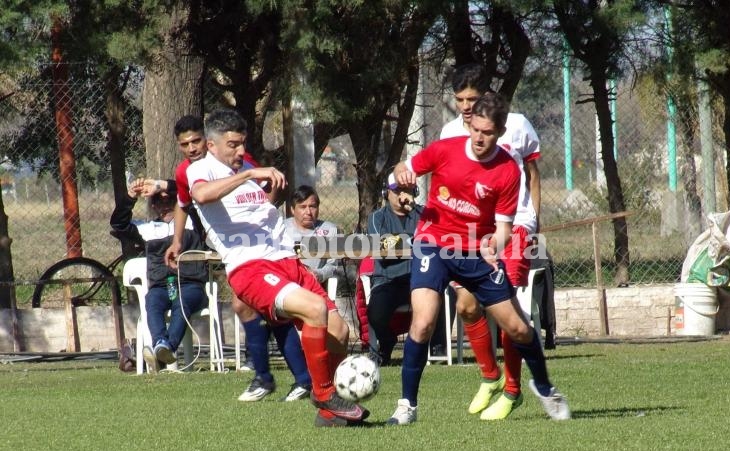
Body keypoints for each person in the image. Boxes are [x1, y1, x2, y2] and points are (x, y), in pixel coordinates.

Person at [387, 92, 570, 425]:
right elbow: (400, 172)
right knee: (424, 320)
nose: (480, 138)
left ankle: (544, 388)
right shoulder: (444, 151)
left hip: (476, 254)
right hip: (433, 244)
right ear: (469, 123)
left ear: (500, 132)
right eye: (476, 130)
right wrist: (400, 176)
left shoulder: (507, 172)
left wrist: (493, 246)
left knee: (516, 327)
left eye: (489, 133)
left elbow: (503, 229)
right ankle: (406, 406)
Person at [185, 108, 368, 427]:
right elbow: (200, 194)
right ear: (212, 145)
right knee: (314, 309)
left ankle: (329, 414)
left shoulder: (244, 171)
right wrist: (249, 175)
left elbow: (258, 211)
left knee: (339, 331)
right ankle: (323, 393)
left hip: (286, 261)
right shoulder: (201, 170)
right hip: (251, 268)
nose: (240, 151)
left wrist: (271, 190)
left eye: (242, 143)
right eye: (232, 145)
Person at [163, 115, 311, 402]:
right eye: (186, 144)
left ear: (209, 143)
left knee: (251, 306)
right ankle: (277, 377)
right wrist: (177, 240)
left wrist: (270, 191)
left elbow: (261, 200)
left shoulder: (240, 163)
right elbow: (185, 202)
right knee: (248, 307)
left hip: (261, 250)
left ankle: (282, 378)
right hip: (242, 249)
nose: (192, 148)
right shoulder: (189, 172)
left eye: (196, 142)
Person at [440, 63, 543, 420]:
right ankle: (490, 376)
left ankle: (513, 390)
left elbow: (531, 174)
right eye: (459, 100)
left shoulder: (516, 124)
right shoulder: (449, 133)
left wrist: (533, 221)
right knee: (466, 305)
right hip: (468, 232)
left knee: (507, 312)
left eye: (472, 98)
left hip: (513, 228)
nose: (466, 106)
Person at [110, 178, 208, 372]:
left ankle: (164, 351)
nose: (164, 205)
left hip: (191, 284)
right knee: (152, 301)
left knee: (182, 302)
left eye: (169, 200)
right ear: (153, 205)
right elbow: (118, 224)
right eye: (158, 201)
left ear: (177, 202)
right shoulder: (147, 229)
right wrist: (131, 196)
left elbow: (190, 195)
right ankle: (161, 344)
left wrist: (161, 184)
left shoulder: (193, 221)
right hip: (162, 286)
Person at [365, 173, 422, 365]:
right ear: (386, 192)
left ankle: (437, 349)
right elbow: (381, 247)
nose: (402, 195)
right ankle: (387, 340)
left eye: (407, 190)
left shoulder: (422, 214)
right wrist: (415, 242)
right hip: (388, 280)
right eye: (397, 190)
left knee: (438, 297)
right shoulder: (376, 217)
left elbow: (439, 238)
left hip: (419, 279)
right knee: (376, 314)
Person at [283, 185, 342, 285]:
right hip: (285, 283)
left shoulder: (329, 230)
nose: (308, 212)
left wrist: (319, 274)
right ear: (292, 210)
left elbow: (333, 265)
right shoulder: (282, 228)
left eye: (312, 206)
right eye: (302, 207)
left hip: (314, 285)